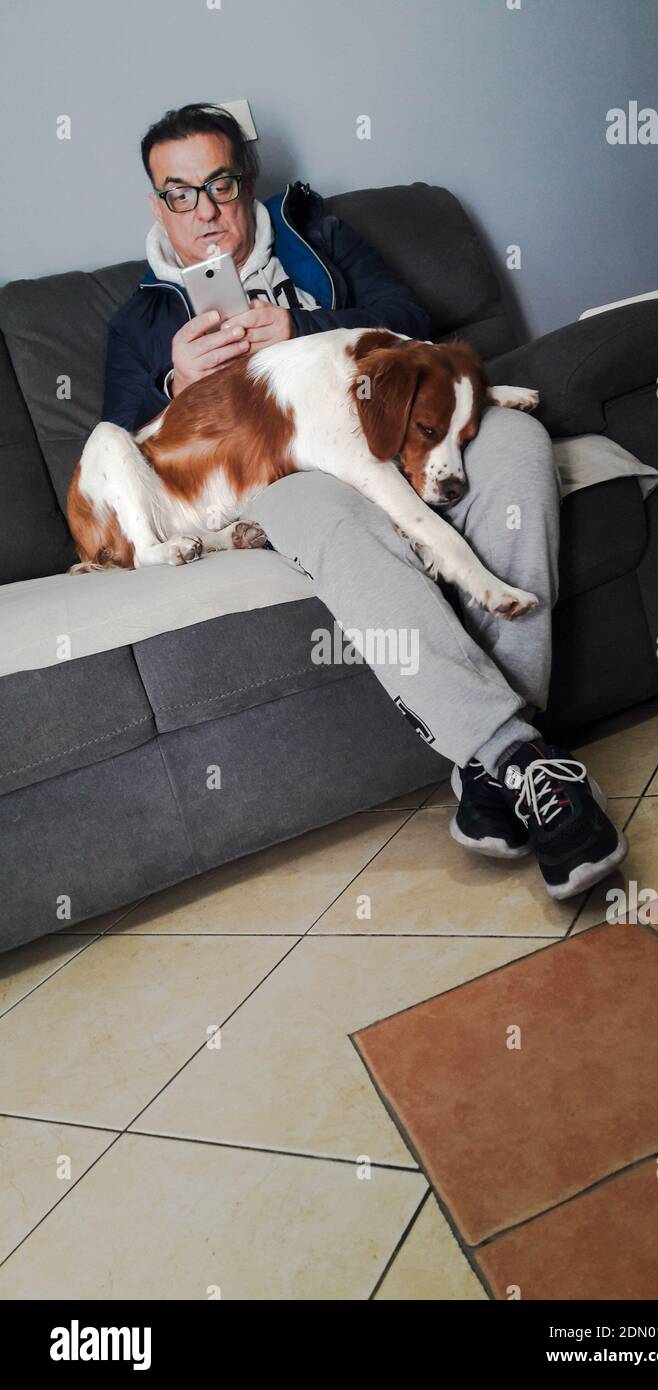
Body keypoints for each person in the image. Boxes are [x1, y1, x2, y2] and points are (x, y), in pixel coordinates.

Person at [102, 101, 627, 902]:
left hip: (406, 418)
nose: (205, 211)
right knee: (337, 521)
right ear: (157, 204)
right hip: (274, 471)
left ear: (246, 181)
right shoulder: (141, 316)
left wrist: (304, 324)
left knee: (521, 447)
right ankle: (521, 762)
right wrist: (174, 379)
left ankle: (494, 776)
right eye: (180, 193)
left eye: (220, 184)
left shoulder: (316, 231)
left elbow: (412, 321)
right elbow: (125, 440)